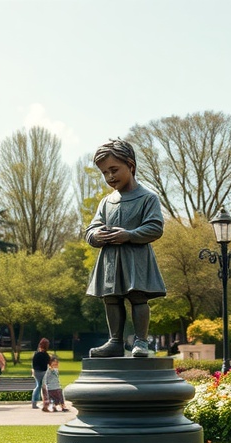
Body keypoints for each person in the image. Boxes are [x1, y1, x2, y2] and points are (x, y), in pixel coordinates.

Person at [85, 138, 167, 358]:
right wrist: (96, 235)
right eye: (104, 173)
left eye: (114, 169)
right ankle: (115, 341)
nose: (110, 177)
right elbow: (91, 229)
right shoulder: (106, 202)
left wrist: (129, 235)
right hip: (111, 260)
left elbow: (155, 227)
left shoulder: (147, 198)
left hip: (136, 257)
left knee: (138, 296)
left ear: (130, 165)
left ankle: (141, 341)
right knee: (111, 297)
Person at [31, 338, 51, 409]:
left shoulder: (36, 354)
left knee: (38, 386)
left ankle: (35, 402)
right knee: (43, 387)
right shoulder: (45, 354)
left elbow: (33, 363)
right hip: (43, 372)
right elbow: (49, 362)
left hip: (36, 372)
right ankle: (45, 402)